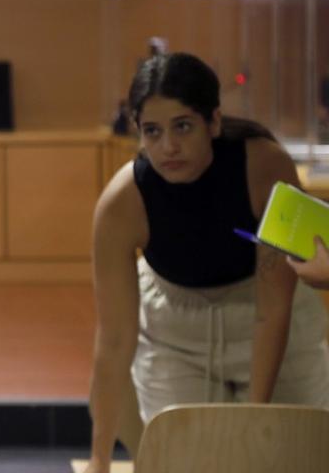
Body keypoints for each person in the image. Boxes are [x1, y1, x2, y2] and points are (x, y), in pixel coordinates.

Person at [83, 52, 329, 473]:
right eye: (152, 131)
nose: (168, 147)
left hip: (267, 314)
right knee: (185, 457)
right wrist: (99, 459)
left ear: (213, 122)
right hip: (175, 328)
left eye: (183, 126)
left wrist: (255, 423)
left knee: (284, 454)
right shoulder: (122, 202)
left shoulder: (264, 164)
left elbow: (272, 311)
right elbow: (115, 340)